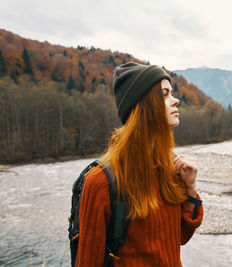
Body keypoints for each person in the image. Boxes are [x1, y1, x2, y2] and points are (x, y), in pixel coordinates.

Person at [75, 62, 204, 266]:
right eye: (164, 94)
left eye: (172, 93)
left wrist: (190, 188)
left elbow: (180, 236)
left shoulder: (170, 169)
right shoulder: (101, 182)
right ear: (143, 104)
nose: (176, 100)